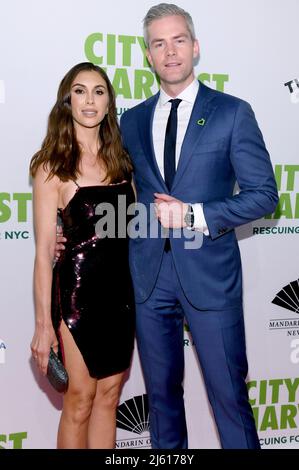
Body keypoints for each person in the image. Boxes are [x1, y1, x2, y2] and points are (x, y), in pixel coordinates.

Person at [119, 3, 278, 449]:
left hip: (210, 276)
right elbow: (117, 192)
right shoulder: (130, 121)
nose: (170, 52)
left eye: (178, 40)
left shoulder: (231, 112)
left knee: (229, 398)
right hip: (149, 280)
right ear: (148, 55)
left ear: (196, 47)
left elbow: (265, 195)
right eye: (158, 44)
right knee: (162, 403)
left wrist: (194, 214)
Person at [30, 62, 135, 449]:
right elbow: (43, 253)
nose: (89, 100)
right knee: (79, 401)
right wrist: (44, 326)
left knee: (109, 397)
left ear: (109, 103)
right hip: (78, 298)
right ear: (67, 101)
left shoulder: (122, 161)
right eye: (79, 90)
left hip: (122, 297)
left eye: (98, 91)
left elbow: (130, 230)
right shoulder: (51, 167)